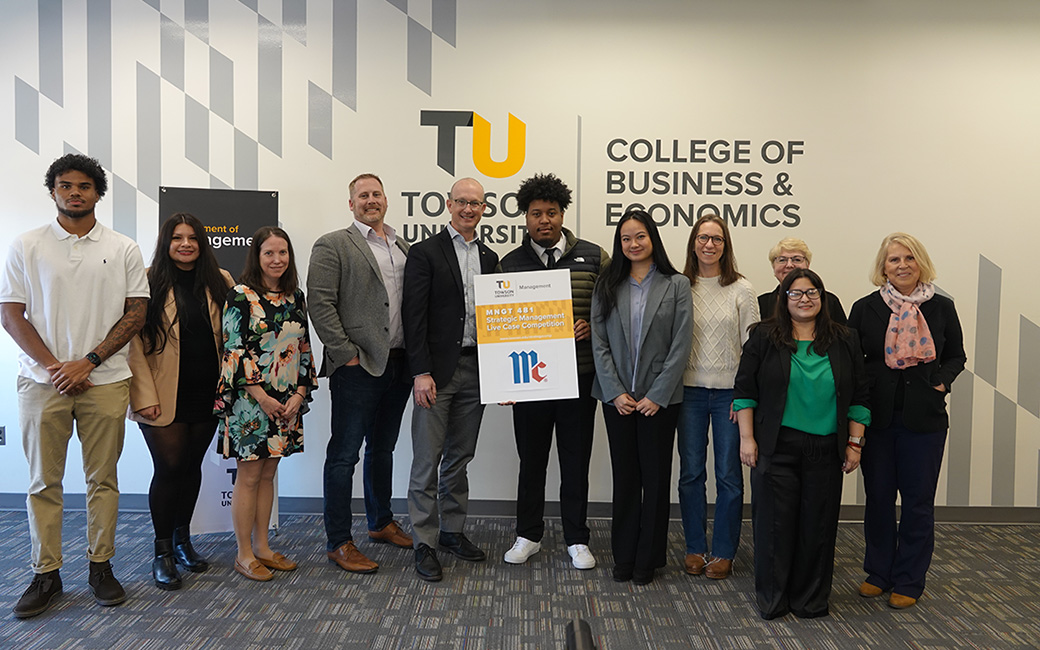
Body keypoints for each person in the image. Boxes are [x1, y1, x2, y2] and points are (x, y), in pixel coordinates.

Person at [0, 153, 149, 618]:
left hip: (105, 380)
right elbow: (10, 314)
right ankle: (46, 573)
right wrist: (55, 368)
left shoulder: (124, 247)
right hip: (41, 383)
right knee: (44, 480)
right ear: (53, 192)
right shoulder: (26, 245)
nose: (75, 193)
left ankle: (100, 566)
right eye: (66, 186)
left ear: (98, 193)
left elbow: (136, 312)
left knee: (102, 479)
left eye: (84, 186)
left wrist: (87, 362)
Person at [734, 268, 871, 619]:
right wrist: (746, 439)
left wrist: (855, 443)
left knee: (818, 526)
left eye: (812, 292)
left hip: (826, 448)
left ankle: (810, 599)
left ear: (822, 299)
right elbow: (745, 391)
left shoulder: (845, 339)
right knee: (774, 528)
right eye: (795, 293)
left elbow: (859, 396)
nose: (804, 299)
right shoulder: (763, 337)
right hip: (775, 446)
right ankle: (774, 599)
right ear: (783, 299)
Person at [848, 233, 965, 609]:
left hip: (925, 420)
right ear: (883, 267)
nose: (902, 266)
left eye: (909, 259)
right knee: (878, 499)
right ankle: (878, 572)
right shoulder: (865, 308)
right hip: (878, 419)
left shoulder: (942, 307)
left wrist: (942, 382)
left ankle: (909, 580)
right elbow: (852, 361)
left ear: (921, 263)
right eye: (893, 260)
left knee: (917, 502)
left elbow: (956, 355)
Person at [499, 173, 610, 570]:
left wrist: (591, 326)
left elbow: (612, 312)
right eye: (535, 214)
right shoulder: (508, 263)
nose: (543, 220)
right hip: (528, 381)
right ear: (524, 218)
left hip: (578, 377)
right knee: (531, 461)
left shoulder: (594, 256)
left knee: (575, 459)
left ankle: (577, 538)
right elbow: (498, 328)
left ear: (563, 213)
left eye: (551, 212)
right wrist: (501, 377)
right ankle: (528, 534)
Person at [307, 173, 413, 575]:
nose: (371, 200)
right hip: (357, 366)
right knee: (344, 455)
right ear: (350, 204)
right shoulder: (333, 244)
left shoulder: (402, 246)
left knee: (383, 448)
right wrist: (345, 354)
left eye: (376, 194)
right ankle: (338, 541)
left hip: (399, 364)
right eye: (362, 195)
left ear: (386, 200)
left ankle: (380, 522)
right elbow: (320, 303)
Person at [128, 213, 234, 590]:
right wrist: (143, 396)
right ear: (166, 242)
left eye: (192, 237)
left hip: (207, 392)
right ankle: (162, 552)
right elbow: (133, 344)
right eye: (177, 238)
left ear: (202, 242)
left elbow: (232, 339)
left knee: (191, 467)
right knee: (169, 467)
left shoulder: (220, 281)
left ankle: (183, 539)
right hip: (161, 393)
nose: (185, 244)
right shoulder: (145, 278)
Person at [403, 178, 499, 582]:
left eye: (475, 203)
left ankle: (452, 532)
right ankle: (423, 543)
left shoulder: (491, 257)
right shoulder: (425, 252)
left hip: (477, 370)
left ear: (483, 209)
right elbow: (414, 315)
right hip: (436, 376)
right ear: (448, 204)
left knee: (460, 458)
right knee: (427, 460)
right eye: (461, 202)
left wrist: (505, 378)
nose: (468, 209)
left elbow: (501, 322)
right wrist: (420, 372)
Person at [591, 209, 692, 585]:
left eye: (640, 237)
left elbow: (681, 344)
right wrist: (615, 391)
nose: (633, 244)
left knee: (655, 478)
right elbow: (599, 343)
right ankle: (624, 556)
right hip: (616, 399)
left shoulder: (676, 284)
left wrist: (657, 395)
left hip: (659, 401)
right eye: (625, 239)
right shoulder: (607, 282)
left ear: (653, 239)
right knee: (626, 479)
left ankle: (647, 560)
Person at [214, 226, 317, 582]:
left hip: (287, 402)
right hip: (252, 403)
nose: (277, 260)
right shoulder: (240, 295)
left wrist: (300, 394)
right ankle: (243, 554)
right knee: (250, 474)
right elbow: (233, 351)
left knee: (270, 473)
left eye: (283, 253)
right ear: (256, 257)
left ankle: (263, 547)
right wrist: (262, 397)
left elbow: (303, 349)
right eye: (269, 253)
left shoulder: (295, 296)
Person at [676, 214, 758, 580]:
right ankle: (695, 547)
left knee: (728, 476)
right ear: (693, 243)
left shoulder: (742, 289)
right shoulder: (679, 286)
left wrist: (743, 398)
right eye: (703, 238)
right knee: (691, 473)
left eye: (717, 239)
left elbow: (752, 350)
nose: (709, 245)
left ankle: (724, 552)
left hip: (728, 394)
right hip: (688, 392)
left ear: (726, 246)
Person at [756, 237, 847, 324]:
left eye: (797, 259)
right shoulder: (760, 303)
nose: (789, 265)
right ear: (773, 266)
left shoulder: (830, 301)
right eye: (782, 260)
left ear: (807, 265)